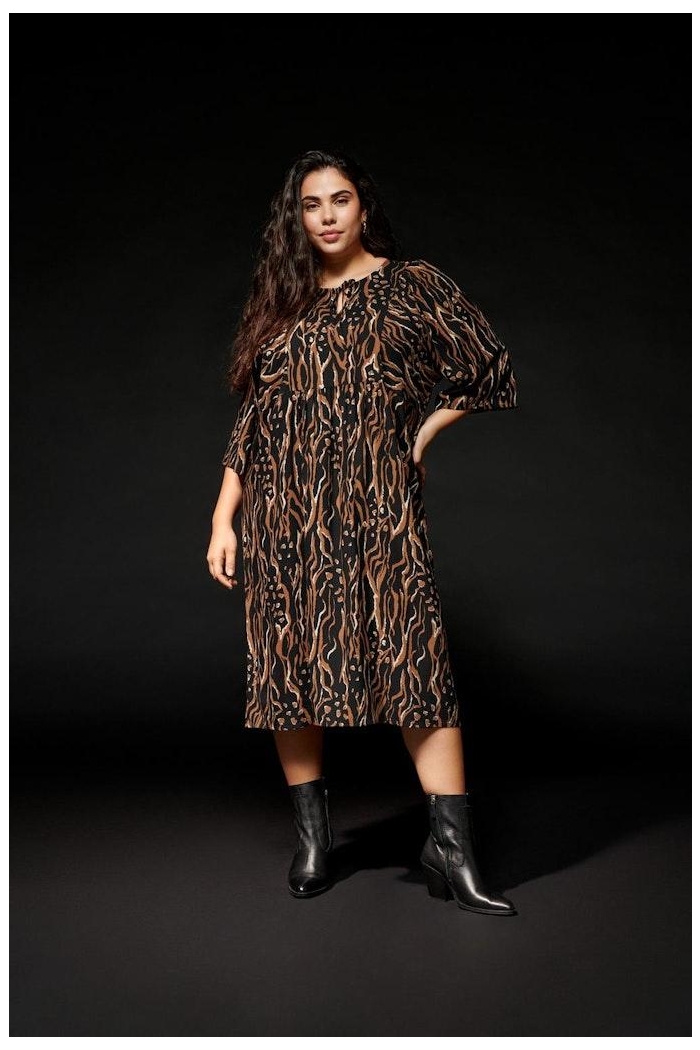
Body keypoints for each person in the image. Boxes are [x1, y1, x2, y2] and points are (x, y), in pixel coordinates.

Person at [206, 148, 518, 915]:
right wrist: (223, 516)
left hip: (378, 508)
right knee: (289, 668)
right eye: (311, 205)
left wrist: (421, 436)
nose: (327, 217)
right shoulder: (284, 305)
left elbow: (489, 369)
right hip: (285, 516)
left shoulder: (412, 286)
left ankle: (452, 849)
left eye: (339, 199)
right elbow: (254, 424)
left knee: (416, 662)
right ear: (297, 218)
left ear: (363, 205)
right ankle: (315, 837)